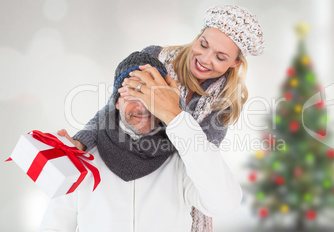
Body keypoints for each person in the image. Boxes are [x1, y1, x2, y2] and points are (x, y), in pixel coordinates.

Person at [70, 4, 265, 231]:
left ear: (235, 63)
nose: (204, 58)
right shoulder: (155, 57)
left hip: (169, 186)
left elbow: (200, 159)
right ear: (198, 36)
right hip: (118, 166)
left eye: (220, 57)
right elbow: (114, 108)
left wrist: (173, 109)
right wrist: (80, 142)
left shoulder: (223, 103)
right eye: (203, 44)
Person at [38, 51, 242, 232]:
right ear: (117, 101)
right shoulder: (84, 159)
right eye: (133, 93)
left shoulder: (182, 159)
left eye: (151, 96)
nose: (143, 107)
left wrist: (176, 118)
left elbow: (224, 203)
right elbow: (54, 224)